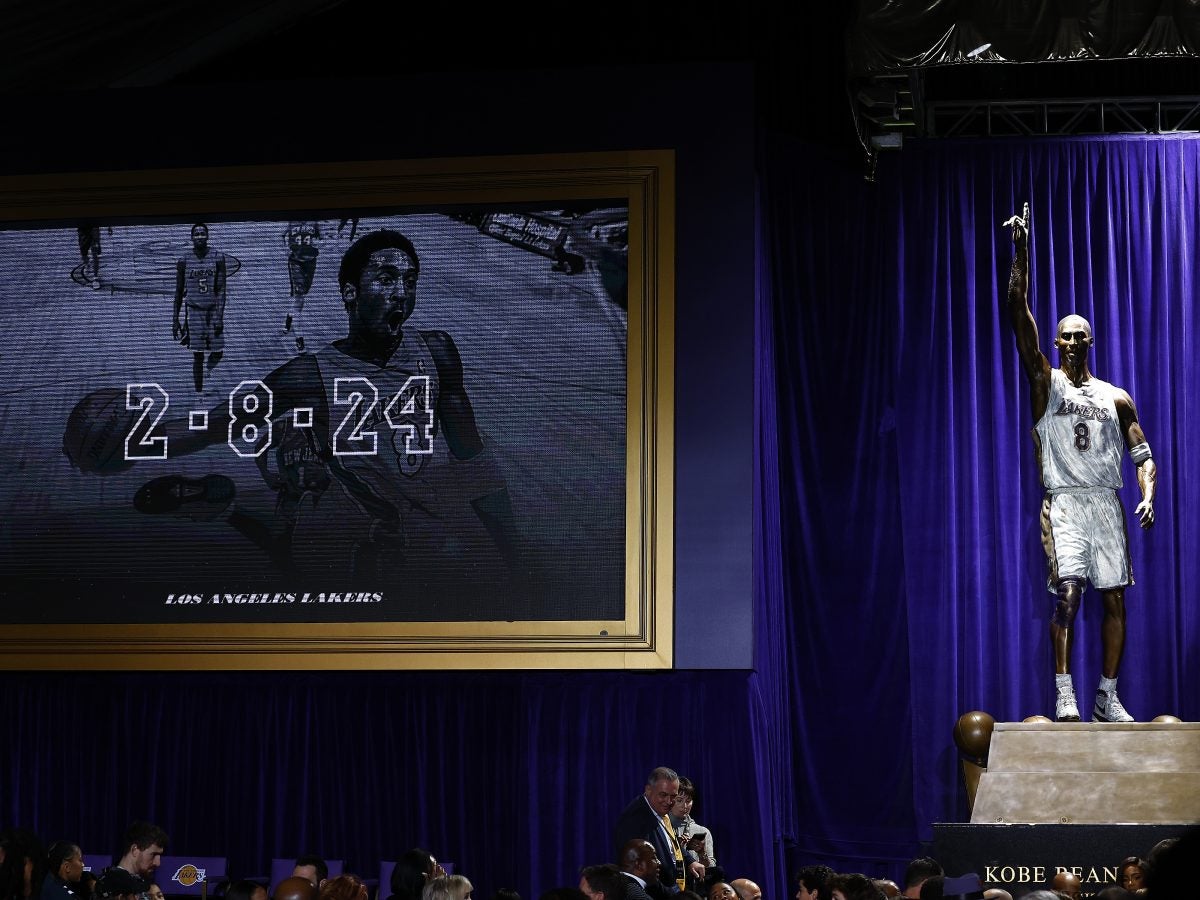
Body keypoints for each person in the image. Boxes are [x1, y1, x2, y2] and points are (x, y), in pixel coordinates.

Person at [83, 229, 522, 589]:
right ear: (350, 293)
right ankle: (227, 506)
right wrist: (137, 440)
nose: (402, 293)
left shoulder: (438, 350)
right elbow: (213, 426)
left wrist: (520, 556)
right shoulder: (306, 377)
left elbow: (475, 464)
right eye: (387, 279)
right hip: (376, 532)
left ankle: (232, 508)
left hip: (447, 534)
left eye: (410, 281)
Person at [1005, 202, 1158, 723]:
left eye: (1079, 335)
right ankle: (1064, 691)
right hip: (1067, 504)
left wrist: (1148, 492)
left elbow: (1143, 452)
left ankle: (1105, 696)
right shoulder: (1044, 385)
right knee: (1068, 594)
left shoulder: (1116, 397)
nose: (1071, 341)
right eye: (1063, 335)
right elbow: (1016, 312)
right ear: (1054, 342)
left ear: (1090, 341)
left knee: (1114, 601)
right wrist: (1021, 253)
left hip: (1107, 504)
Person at [613, 767, 703, 894]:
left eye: (673, 796)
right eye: (663, 795)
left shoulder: (658, 809)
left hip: (674, 887)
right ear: (648, 790)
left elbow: (671, 842)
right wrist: (670, 895)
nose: (669, 801)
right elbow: (640, 874)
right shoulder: (633, 821)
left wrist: (690, 861)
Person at [173, 223, 228, 395]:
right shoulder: (183, 260)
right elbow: (178, 291)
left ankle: (209, 370)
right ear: (191, 238)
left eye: (202, 233)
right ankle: (199, 395)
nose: (199, 236)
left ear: (207, 236)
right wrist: (175, 319)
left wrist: (219, 316)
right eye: (196, 234)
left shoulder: (218, 257)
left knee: (218, 353)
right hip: (194, 312)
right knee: (197, 356)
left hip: (212, 311)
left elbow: (221, 289)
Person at [283, 220, 322, 353]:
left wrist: (319, 245)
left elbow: (320, 238)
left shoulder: (315, 222)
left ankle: (289, 317)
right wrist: (286, 249)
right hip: (296, 262)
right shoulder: (292, 222)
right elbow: (283, 236)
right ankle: (299, 339)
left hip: (311, 261)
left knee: (300, 296)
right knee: (299, 298)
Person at [671, 778, 715, 869]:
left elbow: (711, 868)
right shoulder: (659, 827)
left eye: (688, 801)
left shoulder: (702, 831)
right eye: (679, 800)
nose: (685, 806)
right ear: (670, 800)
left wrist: (702, 853)